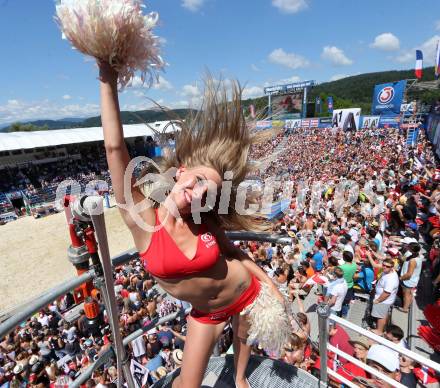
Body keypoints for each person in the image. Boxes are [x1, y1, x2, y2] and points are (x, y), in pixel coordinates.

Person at [98, 63, 290, 388]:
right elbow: (115, 149)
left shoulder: (204, 220)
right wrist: (108, 76)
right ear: (181, 171)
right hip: (207, 314)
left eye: (209, 192)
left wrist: (270, 285)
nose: (199, 192)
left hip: (250, 292)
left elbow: (235, 254)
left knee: (243, 344)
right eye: (199, 180)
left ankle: (241, 377)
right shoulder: (143, 221)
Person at [371, 258, 400, 335]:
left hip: (383, 301)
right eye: (383, 265)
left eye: (387, 266)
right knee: (383, 314)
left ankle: (379, 331)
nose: (384, 267)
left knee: (380, 316)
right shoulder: (388, 272)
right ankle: (382, 327)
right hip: (386, 300)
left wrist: (378, 300)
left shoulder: (391, 279)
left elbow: (387, 293)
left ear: (392, 267)